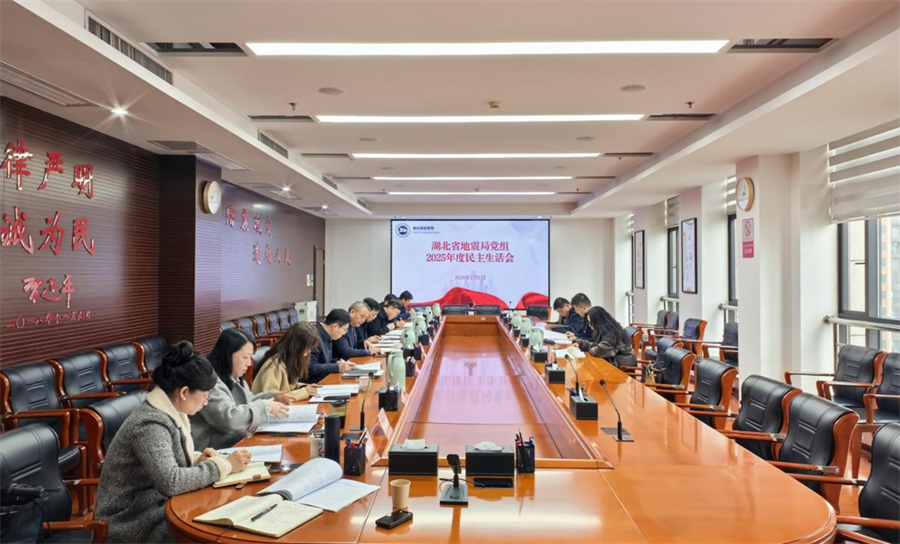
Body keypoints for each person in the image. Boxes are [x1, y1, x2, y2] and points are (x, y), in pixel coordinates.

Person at [95, 341, 250, 544]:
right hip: (132, 521)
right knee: (212, 529)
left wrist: (197, 459)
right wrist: (223, 466)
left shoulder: (172, 411)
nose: (206, 402)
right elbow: (171, 482)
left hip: (157, 507)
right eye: (205, 396)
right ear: (184, 392)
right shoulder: (150, 424)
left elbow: (169, 462)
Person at [191, 329, 293, 450]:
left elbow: (248, 401)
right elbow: (229, 419)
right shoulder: (209, 381)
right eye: (245, 357)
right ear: (228, 355)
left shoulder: (234, 375)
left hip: (236, 441)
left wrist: (273, 397)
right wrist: (265, 407)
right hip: (213, 449)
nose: (249, 363)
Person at [251, 322, 321, 400]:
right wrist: (304, 392)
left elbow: (288, 386)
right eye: (308, 348)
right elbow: (271, 398)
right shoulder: (274, 365)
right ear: (297, 346)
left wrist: (303, 387)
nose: (309, 352)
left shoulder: (289, 359)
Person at [308, 309, 357, 382]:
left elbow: (325, 360)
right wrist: (337, 367)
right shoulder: (313, 336)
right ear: (335, 326)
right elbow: (311, 367)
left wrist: (337, 362)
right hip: (314, 383)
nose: (344, 333)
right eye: (345, 330)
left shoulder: (328, 335)